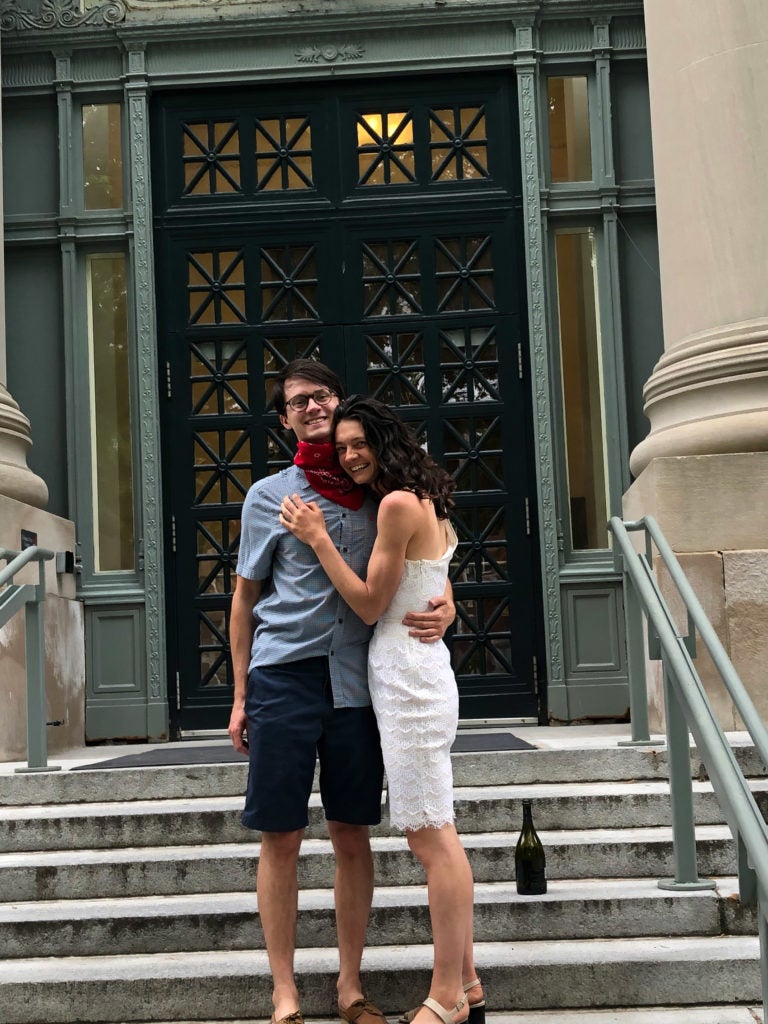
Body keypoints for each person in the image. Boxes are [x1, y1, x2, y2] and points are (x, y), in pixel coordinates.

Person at [227, 360, 455, 1024]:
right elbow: (243, 602)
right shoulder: (269, 497)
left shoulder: (378, 489)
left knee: (352, 833)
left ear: (338, 401)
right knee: (281, 834)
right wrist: (241, 695)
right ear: (285, 420)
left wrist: (449, 608)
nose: (310, 407)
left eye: (319, 395)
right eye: (296, 402)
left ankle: (350, 986)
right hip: (284, 678)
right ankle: (284, 991)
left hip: (357, 686)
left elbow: (423, 567)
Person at [279, 396, 484, 1024]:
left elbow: (370, 605)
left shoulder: (395, 505)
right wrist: (445, 602)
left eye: (359, 443)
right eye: (340, 448)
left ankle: (445, 996)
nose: (348, 455)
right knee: (433, 830)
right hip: (410, 675)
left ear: (384, 439)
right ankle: (469, 984)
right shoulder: (424, 498)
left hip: (409, 684)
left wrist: (317, 538)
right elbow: (432, 579)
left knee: (431, 837)